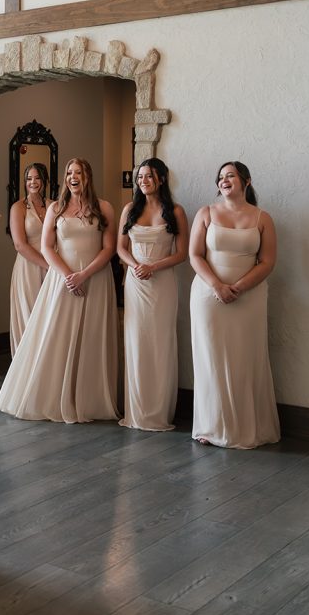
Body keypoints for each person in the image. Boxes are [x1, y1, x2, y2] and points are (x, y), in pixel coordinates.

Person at [0, 157, 118, 423]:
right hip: (62, 278)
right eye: (69, 173)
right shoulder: (57, 208)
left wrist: (84, 274)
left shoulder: (104, 207)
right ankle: (51, 395)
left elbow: (109, 248)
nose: (73, 177)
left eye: (79, 173)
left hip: (96, 278)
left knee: (91, 335)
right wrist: (68, 276)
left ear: (88, 176)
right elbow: (47, 247)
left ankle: (88, 399)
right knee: (55, 334)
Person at [189, 160, 280, 449]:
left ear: (246, 181)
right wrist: (217, 286)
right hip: (208, 296)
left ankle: (248, 427)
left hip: (249, 297)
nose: (224, 180)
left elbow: (267, 262)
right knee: (211, 359)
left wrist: (239, 287)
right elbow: (195, 255)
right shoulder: (206, 213)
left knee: (246, 358)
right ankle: (210, 425)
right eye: (220, 177)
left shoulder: (262, 218)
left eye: (230, 176)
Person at [117, 158, 188, 431]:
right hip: (135, 283)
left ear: (162, 178)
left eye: (148, 176)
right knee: (136, 342)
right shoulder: (130, 209)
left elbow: (182, 254)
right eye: (140, 177)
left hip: (162, 284)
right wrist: (136, 266)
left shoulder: (176, 211)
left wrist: (153, 267)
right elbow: (120, 248)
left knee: (160, 344)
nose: (143, 181)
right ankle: (136, 411)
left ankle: (159, 412)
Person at [9, 162, 52, 354]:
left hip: (53, 265)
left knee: (50, 317)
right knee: (30, 317)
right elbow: (20, 245)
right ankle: (26, 362)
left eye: (37, 178)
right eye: (28, 179)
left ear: (45, 181)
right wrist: (48, 265)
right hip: (29, 268)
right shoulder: (18, 207)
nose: (33, 182)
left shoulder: (54, 205)